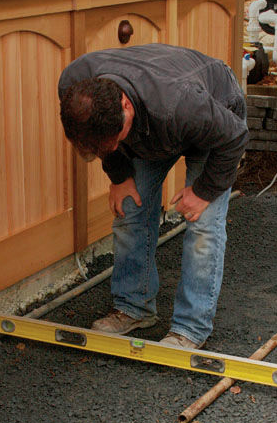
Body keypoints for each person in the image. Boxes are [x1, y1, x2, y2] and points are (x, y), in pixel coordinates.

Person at [58, 43, 248, 349]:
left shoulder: (181, 105)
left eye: (116, 139)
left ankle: (190, 328)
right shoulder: (74, 88)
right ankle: (134, 307)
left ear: (125, 107)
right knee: (130, 208)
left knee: (202, 226)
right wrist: (119, 176)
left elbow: (235, 137)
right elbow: (102, 139)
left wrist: (203, 192)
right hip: (155, 127)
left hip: (217, 114)